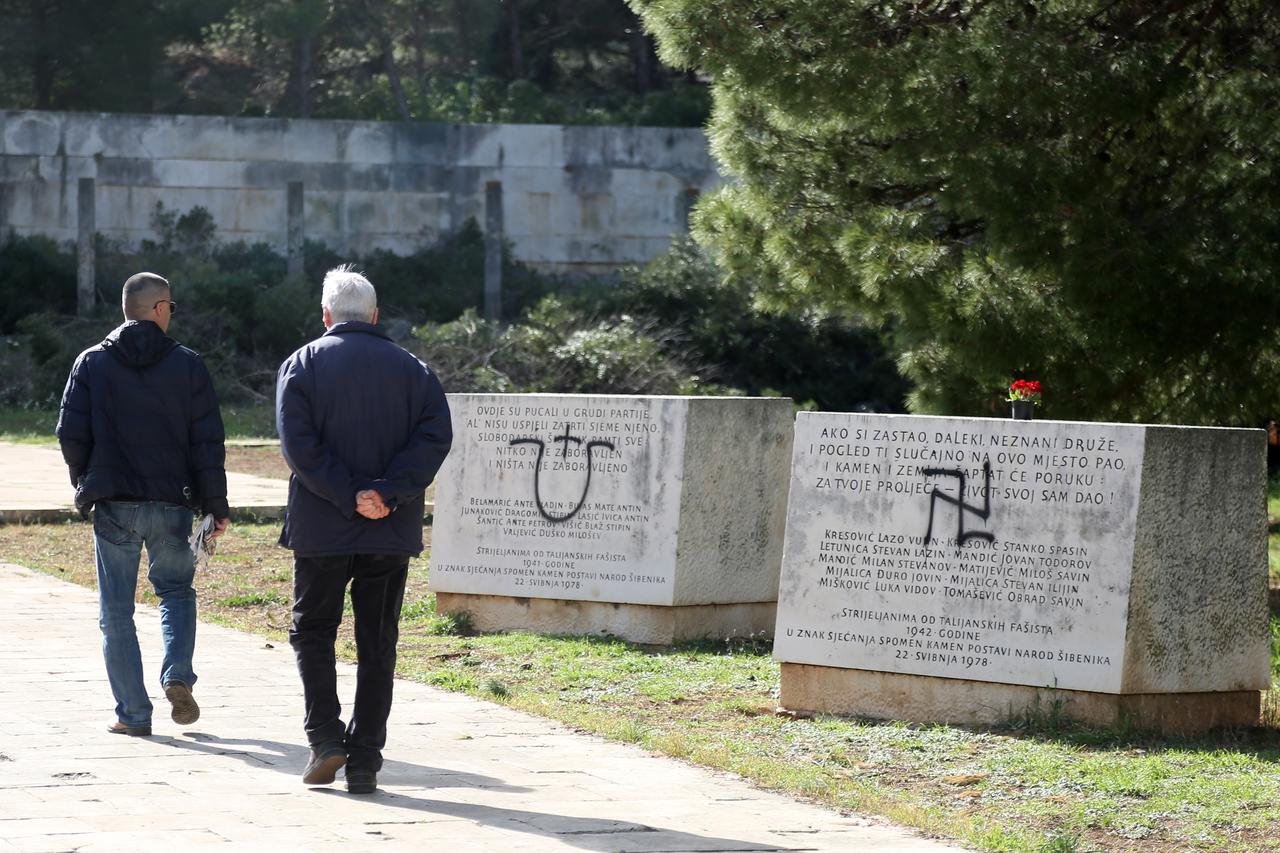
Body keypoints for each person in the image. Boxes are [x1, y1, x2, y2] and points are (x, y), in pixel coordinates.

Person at [276, 265, 452, 794]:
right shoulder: (414, 369)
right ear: (375, 316)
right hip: (387, 529)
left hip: (322, 528)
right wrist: (387, 492)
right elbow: (434, 439)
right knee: (378, 641)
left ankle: (326, 739)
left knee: (313, 631)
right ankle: (366, 758)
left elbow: (299, 446)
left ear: (326, 315)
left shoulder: (301, 364)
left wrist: (347, 494)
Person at [56, 272, 230, 737]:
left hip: (114, 504)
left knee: (116, 611)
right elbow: (207, 442)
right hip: (173, 504)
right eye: (171, 305)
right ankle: (177, 674)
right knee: (175, 592)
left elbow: (70, 434)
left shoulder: (90, 362)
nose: (172, 313)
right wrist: (216, 505)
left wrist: (87, 482)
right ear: (158, 308)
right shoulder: (189, 365)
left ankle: (133, 715)